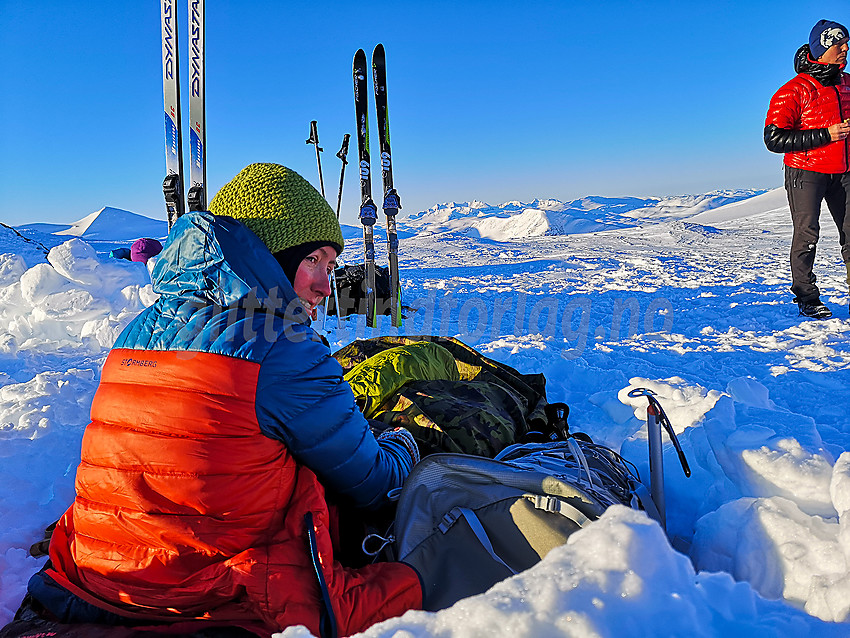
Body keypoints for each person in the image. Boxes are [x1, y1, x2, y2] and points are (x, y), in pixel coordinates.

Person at [23, 163, 422, 637]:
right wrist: (405, 444)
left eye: (331, 267)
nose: (323, 285)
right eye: (313, 260)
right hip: (211, 595)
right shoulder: (282, 347)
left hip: (100, 575)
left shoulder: (137, 331)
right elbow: (373, 481)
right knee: (421, 577)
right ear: (271, 254)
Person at [765, 19, 850, 319]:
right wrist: (827, 135)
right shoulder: (794, 90)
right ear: (822, 47)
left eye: (846, 43)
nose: (845, 48)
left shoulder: (848, 84)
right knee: (807, 233)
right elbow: (774, 138)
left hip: (844, 171)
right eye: (839, 44)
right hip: (806, 172)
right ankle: (806, 296)